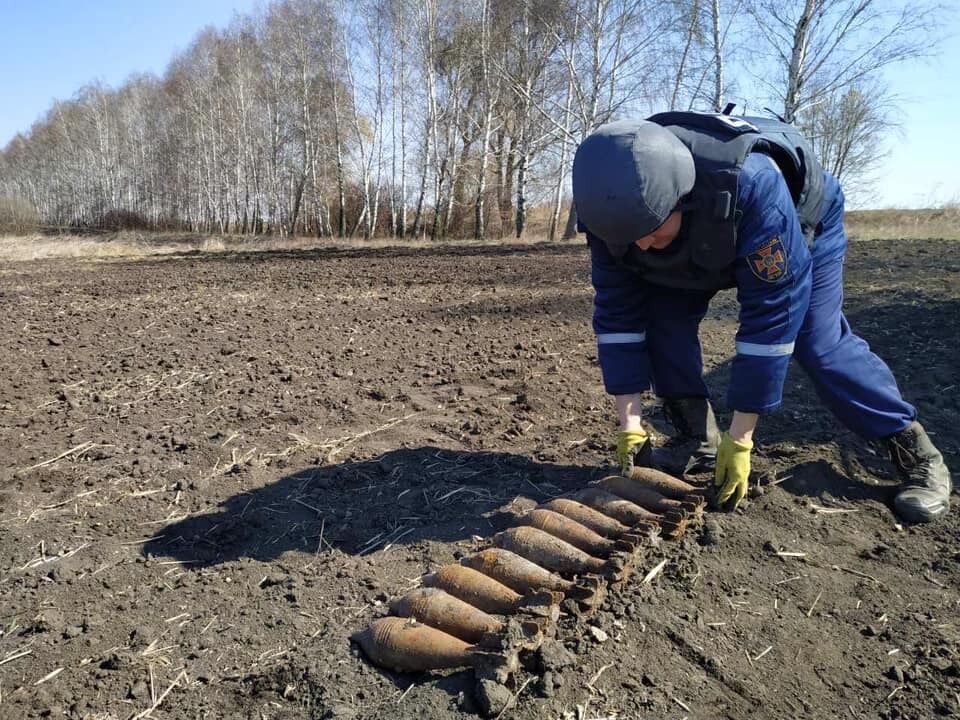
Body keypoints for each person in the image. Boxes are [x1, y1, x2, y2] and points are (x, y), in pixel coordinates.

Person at [571, 111, 952, 523]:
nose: (641, 244)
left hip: (799, 224)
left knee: (817, 341)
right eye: (629, 238)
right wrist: (629, 420)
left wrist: (742, 438)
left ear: (679, 197)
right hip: (695, 237)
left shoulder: (750, 183)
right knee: (662, 321)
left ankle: (914, 453)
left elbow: (772, 315)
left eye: (650, 230)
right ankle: (695, 438)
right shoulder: (613, 212)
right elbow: (619, 314)